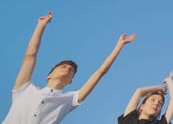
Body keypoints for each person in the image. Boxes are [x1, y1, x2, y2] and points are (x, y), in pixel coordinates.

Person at [2, 11, 135, 124]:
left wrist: (119, 46)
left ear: (70, 81)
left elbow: (101, 72)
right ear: (49, 75)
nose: (67, 68)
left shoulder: (69, 99)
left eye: (71, 70)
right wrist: (41, 25)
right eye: (63, 66)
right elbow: (30, 55)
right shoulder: (24, 88)